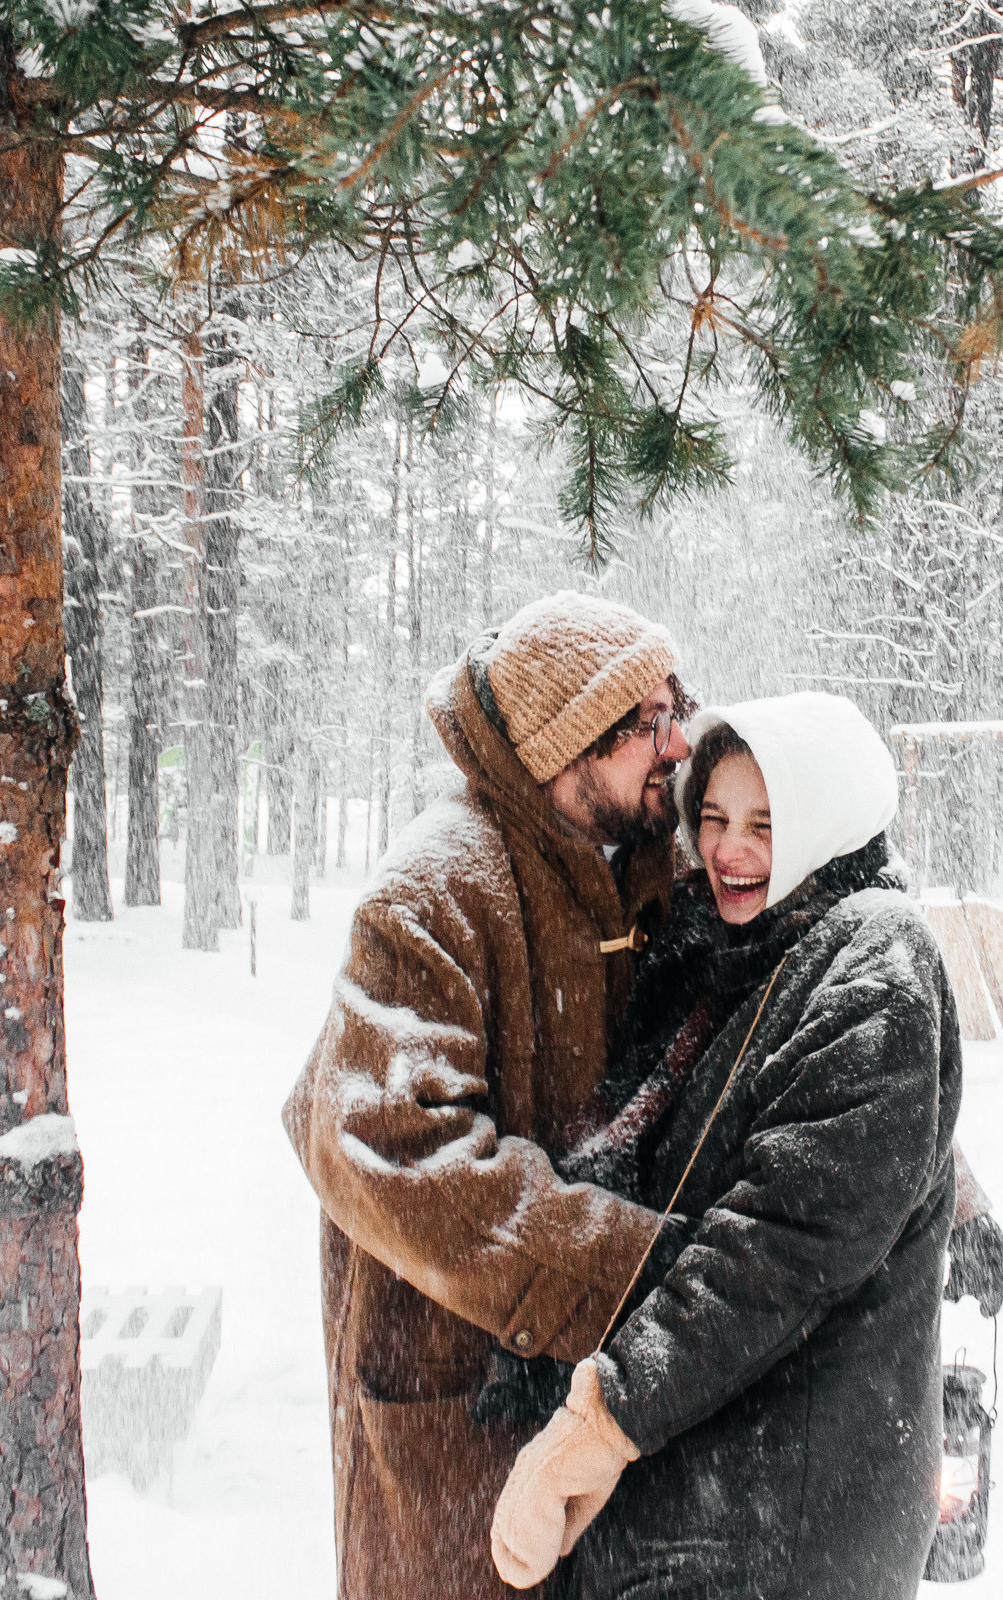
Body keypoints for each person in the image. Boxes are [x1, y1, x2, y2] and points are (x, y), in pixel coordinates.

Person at [488, 692, 965, 1600]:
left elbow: (779, 1243)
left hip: (790, 1515)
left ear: (825, 820)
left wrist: (605, 1416)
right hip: (709, 1486)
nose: (729, 851)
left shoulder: (877, 963)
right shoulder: (728, 956)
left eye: (764, 822)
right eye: (712, 818)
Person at [281, 590, 700, 1600]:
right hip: (453, 1409)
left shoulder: (661, 866)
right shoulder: (433, 891)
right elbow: (389, 1146)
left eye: (678, 706)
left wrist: (939, 1190)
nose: (680, 742)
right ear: (571, 745)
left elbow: (781, 1020)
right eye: (651, 723)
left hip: (596, 1417)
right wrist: (631, 1272)